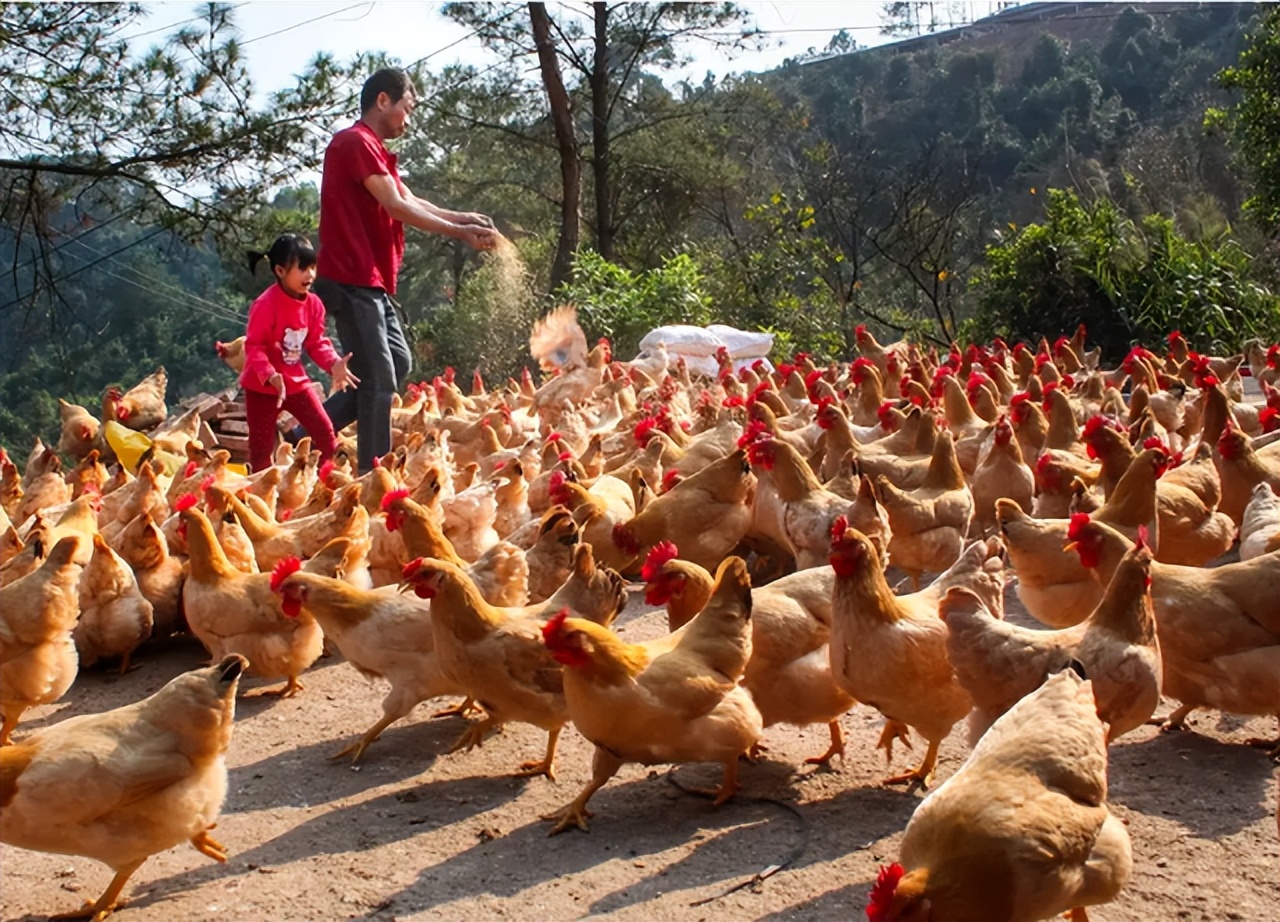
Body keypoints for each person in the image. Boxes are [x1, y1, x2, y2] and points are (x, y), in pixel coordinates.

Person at [313, 67, 498, 473]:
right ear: (383, 101)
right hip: (351, 276)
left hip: (372, 281)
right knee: (379, 380)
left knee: (395, 362)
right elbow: (396, 207)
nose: (407, 120)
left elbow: (409, 199)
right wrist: (460, 233)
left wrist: (463, 219)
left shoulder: (375, 152)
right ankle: (374, 475)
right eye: (406, 108)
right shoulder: (354, 142)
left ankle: (305, 435)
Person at [241, 234, 358, 473]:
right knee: (261, 452)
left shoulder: (314, 304)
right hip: (262, 388)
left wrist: (334, 363)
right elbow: (254, 347)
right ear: (280, 271)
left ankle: (324, 483)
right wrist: (270, 374)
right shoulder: (264, 305)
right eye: (303, 268)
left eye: (313, 267)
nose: (310, 275)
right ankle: (262, 503)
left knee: (326, 434)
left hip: (295, 383)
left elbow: (316, 342)